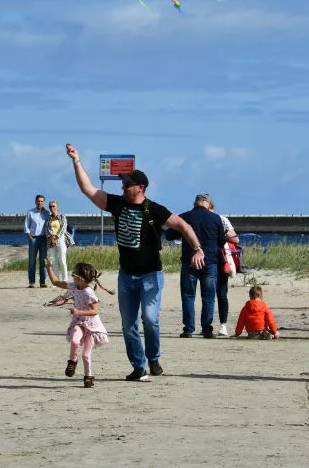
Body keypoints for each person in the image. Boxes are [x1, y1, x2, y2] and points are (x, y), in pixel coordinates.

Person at [66, 143, 204, 381]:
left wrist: (198, 249)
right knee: (128, 324)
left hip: (151, 275)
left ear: (140, 188)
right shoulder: (117, 204)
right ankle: (139, 366)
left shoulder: (154, 210)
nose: (123, 186)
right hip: (127, 276)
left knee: (150, 320)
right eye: (123, 183)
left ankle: (153, 358)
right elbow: (88, 189)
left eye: (128, 184)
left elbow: (183, 225)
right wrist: (76, 161)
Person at [166, 193, 225, 338]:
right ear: (208, 205)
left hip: (189, 261)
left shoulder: (185, 217)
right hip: (210, 262)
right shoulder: (216, 218)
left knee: (188, 296)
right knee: (209, 297)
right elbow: (222, 241)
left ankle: (188, 329)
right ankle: (207, 329)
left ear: (194, 204)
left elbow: (169, 235)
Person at [46, 260, 110, 388]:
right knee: (75, 341)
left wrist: (78, 311)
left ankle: (88, 377)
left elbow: (95, 311)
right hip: (79, 322)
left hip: (91, 326)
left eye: (73, 274)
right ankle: (72, 362)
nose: (72, 276)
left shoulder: (88, 292)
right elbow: (56, 282)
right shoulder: (74, 286)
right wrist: (49, 268)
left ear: (80, 278)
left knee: (86, 355)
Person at [210, 200, 240, 336]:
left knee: (221, 293)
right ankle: (208, 325)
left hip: (221, 259)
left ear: (212, 208)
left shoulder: (222, 219)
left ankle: (223, 325)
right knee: (209, 294)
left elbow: (236, 239)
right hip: (209, 259)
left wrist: (222, 233)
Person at [24, 194, 50, 288]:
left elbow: (49, 226)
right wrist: (30, 237)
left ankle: (42, 282)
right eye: (38, 201)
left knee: (43, 261)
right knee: (32, 261)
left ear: (44, 202)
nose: (40, 202)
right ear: (35, 202)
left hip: (43, 239)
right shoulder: (30, 212)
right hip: (33, 238)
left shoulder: (47, 213)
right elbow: (26, 226)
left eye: (42, 201)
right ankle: (31, 282)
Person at [44, 200, 71, 282]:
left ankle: (65, 280)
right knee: (53, 262)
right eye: (50, 206)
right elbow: (46, 229)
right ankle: (56, 281)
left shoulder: (62, 217)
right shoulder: (48, 218)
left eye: (53, 206)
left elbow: (63, 228)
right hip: (51, 242)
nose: (52, 208)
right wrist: (51, 238)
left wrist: (56, 237)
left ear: (57, 207)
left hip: (61, 241)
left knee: (62, 261)